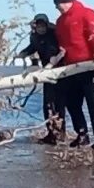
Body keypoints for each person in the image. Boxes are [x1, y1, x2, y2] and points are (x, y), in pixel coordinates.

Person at [53, 0, 94, 150]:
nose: (59, 9)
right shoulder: (60, 22)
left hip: (89, 65)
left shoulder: (86, 14)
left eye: (60, 5)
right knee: (72, 102)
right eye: (57, 7)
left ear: (67, 1)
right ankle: (82, 133)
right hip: (71, 67)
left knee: (93, 102)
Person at [17, 13, 66, 145]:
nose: (41, 29)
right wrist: (23, 53)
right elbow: (33, 47)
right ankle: (51, 132)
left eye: (43, 26)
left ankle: (60, 132)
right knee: (47, 104)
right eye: (39, 26)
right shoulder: (35, 36)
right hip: (46, 72)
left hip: (58, 71)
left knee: (59, 103)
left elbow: (55, 50)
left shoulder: (53, 34)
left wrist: (52, 64)